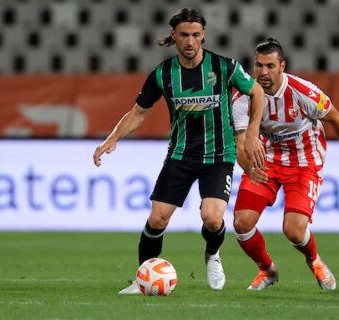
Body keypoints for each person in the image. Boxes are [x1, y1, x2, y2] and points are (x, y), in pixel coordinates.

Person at [93, 8, 265, 293]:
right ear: (174, 35)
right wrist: (112, 139)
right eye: (184, 35)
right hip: (181, 155)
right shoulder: (163, 74)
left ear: (203, 36)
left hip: (219, 155)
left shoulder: (224, 67)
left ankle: (212, 253)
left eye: (196, 35)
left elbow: (256, 92)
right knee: (157, 218)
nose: (190, 41)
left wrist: (253, 134)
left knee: (212, 218)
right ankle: (142, 277)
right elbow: (138, 112)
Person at [232, 38, 339, 291]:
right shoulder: (242, 96)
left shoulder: (304, 92)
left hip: (304, 161)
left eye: (270, 66)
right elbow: (239, 145)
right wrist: (249, 168)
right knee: (241, 223)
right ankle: (267, 270)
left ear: (283, 66)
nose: (263, 72)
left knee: (293, 230)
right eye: (259, 65)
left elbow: (336, 118)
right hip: (267, 158)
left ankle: (314, 261)